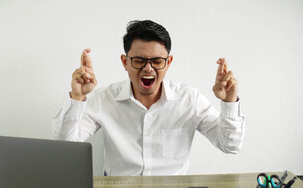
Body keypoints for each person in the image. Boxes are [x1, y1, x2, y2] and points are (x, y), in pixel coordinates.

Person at [52, 20, 244, 176]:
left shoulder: (189, 99)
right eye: (139, 60)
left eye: (157, 61)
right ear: (125, 62)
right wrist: (77, 97)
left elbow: (230, 145)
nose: (148, 68)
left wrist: (228, 103)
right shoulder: (104, 98)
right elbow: (65, 147)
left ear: (168, 63)